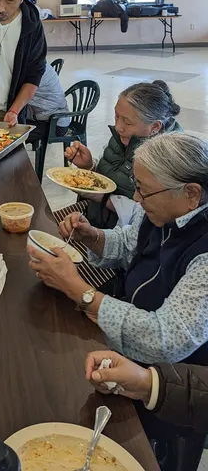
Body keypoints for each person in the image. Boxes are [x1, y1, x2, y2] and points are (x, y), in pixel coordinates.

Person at [28, 131, 208, 367]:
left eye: (143, 189)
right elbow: (128, 245)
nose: (135, 198)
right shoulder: (159, 209)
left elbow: (164, 339)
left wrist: (79, 290)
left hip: (167, 375)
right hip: (124, 305)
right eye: (136, 185)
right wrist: (93, 236)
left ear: (191, 194)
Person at [62, 81, 181, 229]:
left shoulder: (168, 159)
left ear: (155, 127)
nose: (118, 127)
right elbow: (109, 180)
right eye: (117, 117)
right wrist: (89, 167)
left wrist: (100, 197)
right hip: (96, 218)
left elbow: (148, 216)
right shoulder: (123, 137)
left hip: (126, 236)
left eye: (128, 122)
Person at [26, 62, 70, 142]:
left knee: (14, 136)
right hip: (42, 117)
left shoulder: (36, 69)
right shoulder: (36, 62)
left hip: (54, 124)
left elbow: (15, 97)